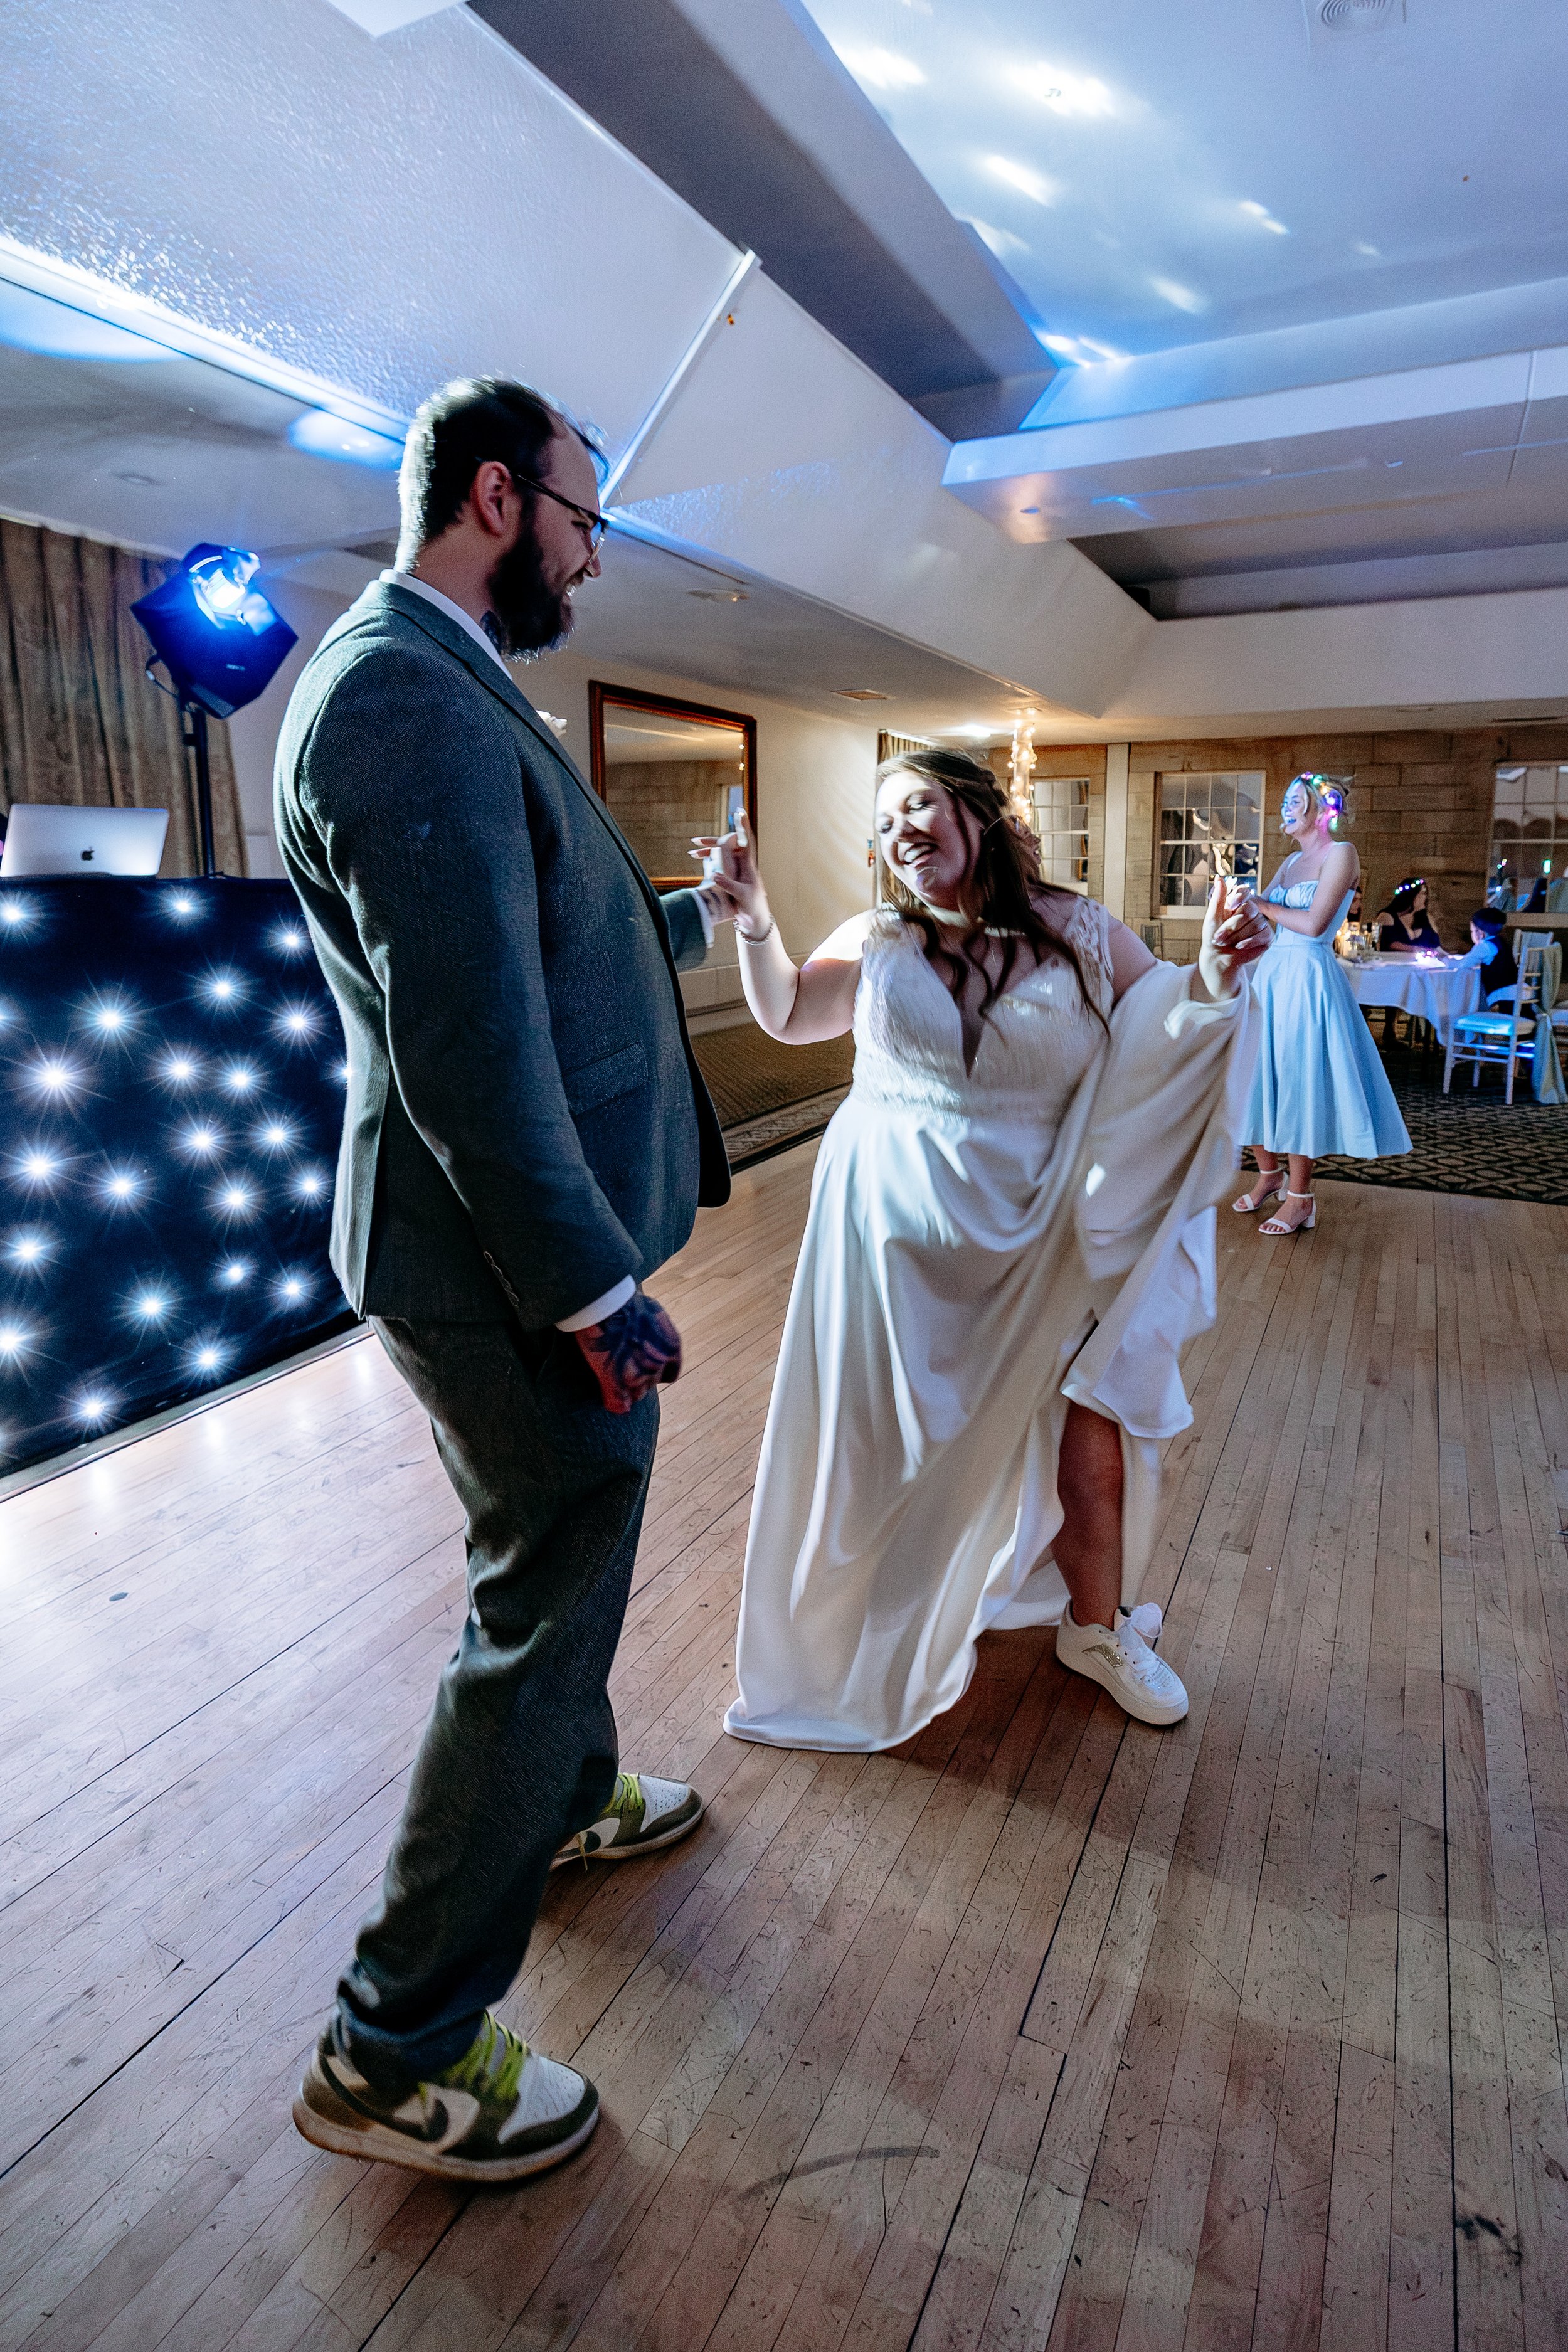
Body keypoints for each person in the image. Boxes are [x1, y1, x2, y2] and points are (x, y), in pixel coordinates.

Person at [275, 378, 732, 2184]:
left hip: (502, 1252)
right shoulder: (400, 690)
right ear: (497, 491)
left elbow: (540, 934)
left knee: (561, 1559)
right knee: (543, 1591)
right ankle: (392, 2043)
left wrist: (688, 909)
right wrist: (589, 1290)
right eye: (583, 513)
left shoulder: (442, 671)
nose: (592, 550)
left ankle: (562, 1790)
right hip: (497, 1266)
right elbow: (467, 1048)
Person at [698, 750, 1269, 1754]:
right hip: (890, 1250)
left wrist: (1218, 971)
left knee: (1084, 1451)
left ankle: (1097, 1630)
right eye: (882, 824)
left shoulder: (1083, 928)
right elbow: (788, 1011)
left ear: (978, 811)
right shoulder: (876, 938)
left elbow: (1168, 1022)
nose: (899, 831)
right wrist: (754, 920)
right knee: (882, 1455)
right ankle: (867, 1628)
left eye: (916, 803)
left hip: (1047, 1235)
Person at [1234, 775, 1409, 1236]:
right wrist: (1234, 903)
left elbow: (1312, 925)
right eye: (1285, 803)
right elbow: (1264, 920)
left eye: (1295, 802)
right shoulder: (1291, 860)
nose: (1285, 810)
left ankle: (1301, 1198)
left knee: (1299, 1081)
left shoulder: (1342, 854)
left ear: (1320, 809)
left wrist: (1262, 905)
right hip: (1272, 975)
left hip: (1309, 977)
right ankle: (1269, 1174)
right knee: (1253, 1074)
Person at [1465, 904, 1520, 1004]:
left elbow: (1464, 965)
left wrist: (1444, 960)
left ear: (1480, 933)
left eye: (1472, 931)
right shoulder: (1501, 941)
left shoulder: (1484, 946)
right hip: (1516, 992)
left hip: (1502, 997)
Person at [1372, 876, 1442, 953]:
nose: (1426, 897)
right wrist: (1416, 949)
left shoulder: (1426, 917)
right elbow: (1386, 943)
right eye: (1423, 893)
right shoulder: (1387, 916)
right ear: (1412, 895)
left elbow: (1436, 943)